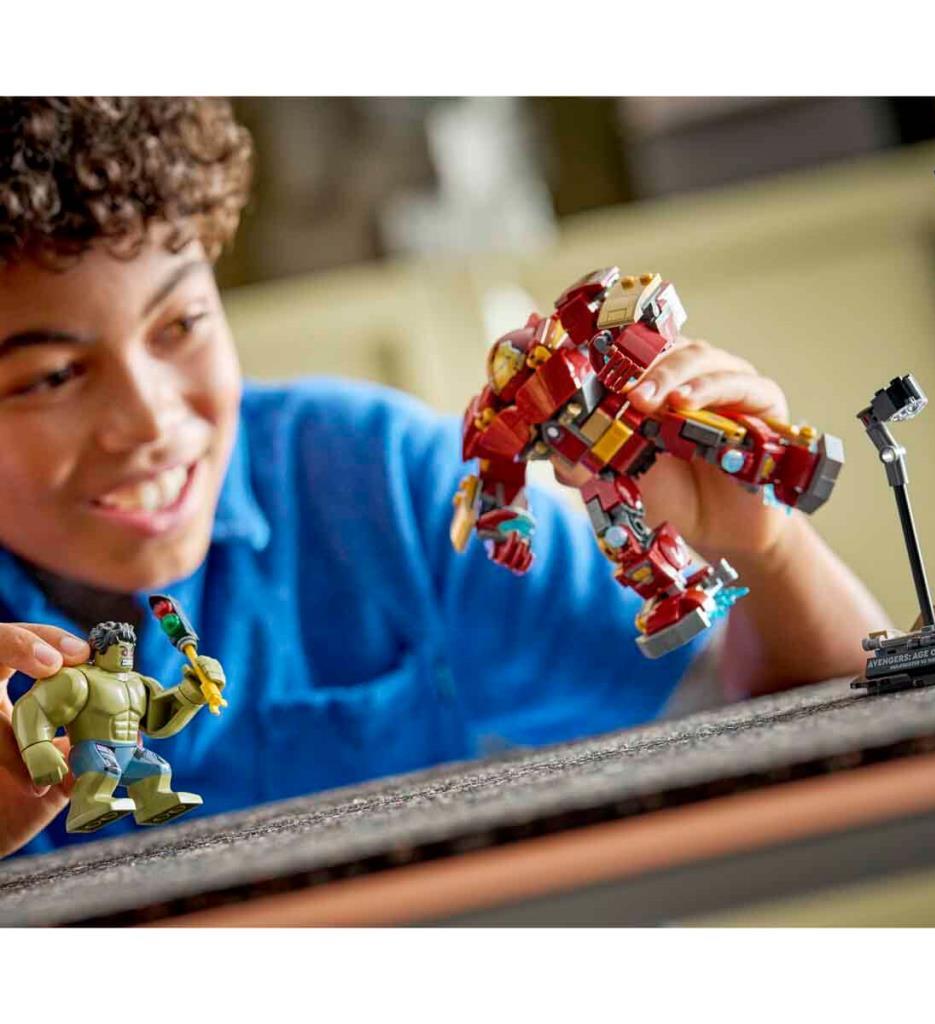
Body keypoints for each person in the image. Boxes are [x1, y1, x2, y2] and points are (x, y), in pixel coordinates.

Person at [0, 98, 886, 859]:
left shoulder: (370, 483)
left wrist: (768, 551)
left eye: (182, 323)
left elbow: (859, 742)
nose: (152, 421)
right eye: (51, 377)